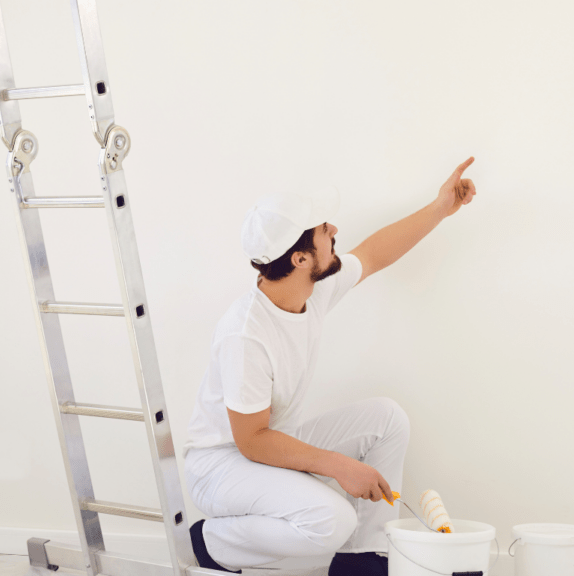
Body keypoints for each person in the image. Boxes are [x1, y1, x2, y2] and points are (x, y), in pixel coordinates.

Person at [180, 158, 477, 576]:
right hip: (223, 466)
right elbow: (251, 441)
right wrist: (339, 466)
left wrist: (439, 208)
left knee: (387, 418)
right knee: (333, 519)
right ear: (301, 259)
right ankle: (212, 542)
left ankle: (364, 558)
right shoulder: (245, 335)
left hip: (268, 441)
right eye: (324, 229)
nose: (334, 231)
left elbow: (374, 253)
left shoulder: (312, 289)